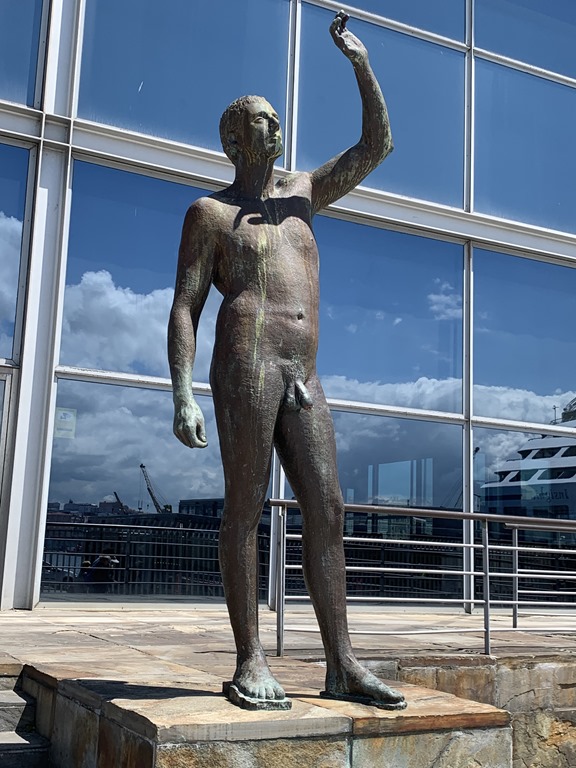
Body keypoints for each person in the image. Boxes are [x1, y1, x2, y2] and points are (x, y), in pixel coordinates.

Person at [168, 11, 405, 710]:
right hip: (245, 363)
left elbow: (377, 145)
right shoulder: (211, 214)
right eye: (261, 120)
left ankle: (341, 663)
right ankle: (250, 660)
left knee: (327, 508)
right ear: (234, 139)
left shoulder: (303, 193)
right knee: (244, 507)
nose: (275, 127)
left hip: (304, 371)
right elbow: (185, 305)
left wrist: (360, 64)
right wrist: (182, 391)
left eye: (276, 119)